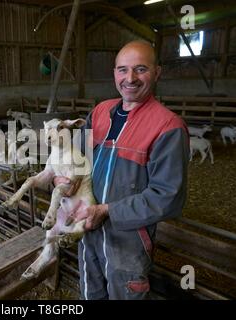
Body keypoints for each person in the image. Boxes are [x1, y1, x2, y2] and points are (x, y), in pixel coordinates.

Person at [55, 40, 189, 299]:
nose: (130, 78)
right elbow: (76, 157)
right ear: (114, 72)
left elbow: (168, 197)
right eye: (122, 70)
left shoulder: (168, 127)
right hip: (86, 229)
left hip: (128, 240)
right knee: (90, 293)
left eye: (141, 69)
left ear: (157, 72)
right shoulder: (100, 111)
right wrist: (64, 177)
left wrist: (107, 210)